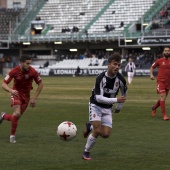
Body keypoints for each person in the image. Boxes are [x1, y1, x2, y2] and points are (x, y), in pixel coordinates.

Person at [82, 52, 127, 160]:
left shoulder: (121, 80)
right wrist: (116, 100)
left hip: (108, 108)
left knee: (106, 134)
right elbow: (98, 98)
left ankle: (90, 126)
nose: (117, 67)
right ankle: (86, 153)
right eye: (115, 64)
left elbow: (124, 93)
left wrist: (119, 106)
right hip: (95, 105)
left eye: (118, 65)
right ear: (109, 64)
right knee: (97, 131)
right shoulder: (100, 78)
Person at [0, 55, 43, 143]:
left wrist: (34, 98)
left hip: (26, 97)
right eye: (27, 63)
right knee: (17, 113)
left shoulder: (33, 71)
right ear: (22, 63)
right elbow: (4, 84)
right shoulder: (14, 71)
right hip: (16, 94)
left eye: (30, 63)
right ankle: (12, 137)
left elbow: (40, 84)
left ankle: (3, 116)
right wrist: (11, 90)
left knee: (16, 117)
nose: (29, 65)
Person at [150, 47, 170, 121]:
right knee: (163, 96)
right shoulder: (159, 61)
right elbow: (152, 67)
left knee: (163, 98)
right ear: (163, 52)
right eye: (165, 51)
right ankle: (164, 115)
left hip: (168, 83)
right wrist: (151, 75)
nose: (167, 52)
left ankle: (154, 107)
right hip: (160, 82)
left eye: (168, 51)